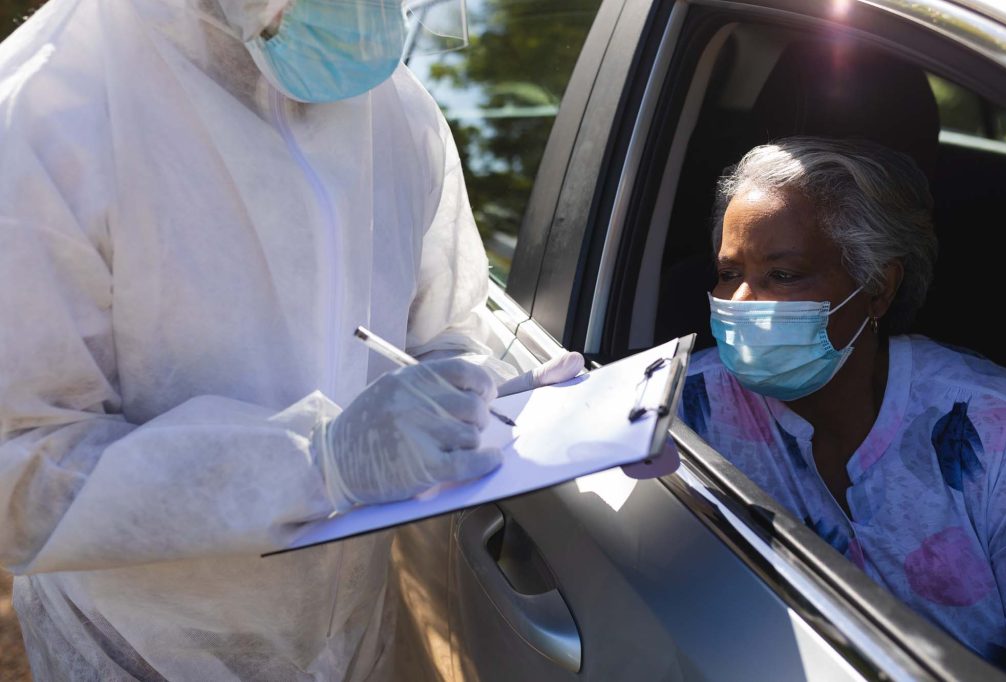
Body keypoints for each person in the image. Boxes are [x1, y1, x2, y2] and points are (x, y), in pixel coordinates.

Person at [0, 0, 582, 679]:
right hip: (135, 650)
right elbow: (22, 471)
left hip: (351, 633)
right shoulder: (46, 116)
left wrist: (487, 393)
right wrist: (316, 464)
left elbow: (444, 325)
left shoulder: (394, 111)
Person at [678, 136, 1006, 677]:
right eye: (728, 274)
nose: (740, 301)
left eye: (783, 275)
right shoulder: (684, 407)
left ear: (877, 288)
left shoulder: (1002, 438)